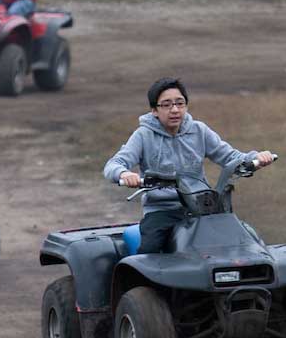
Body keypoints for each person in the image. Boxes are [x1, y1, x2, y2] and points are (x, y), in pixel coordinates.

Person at [104, 77, 275, 254]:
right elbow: (113, 165)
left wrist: (256, 158)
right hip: (163, 210)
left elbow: (230, 157)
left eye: (180, 103)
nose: (175, 109)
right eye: (167, 104)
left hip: (202, 207)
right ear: (154, 110)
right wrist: (124, 174)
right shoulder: (143, 135)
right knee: (150, 251)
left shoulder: (199, 130)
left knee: (243, 241)